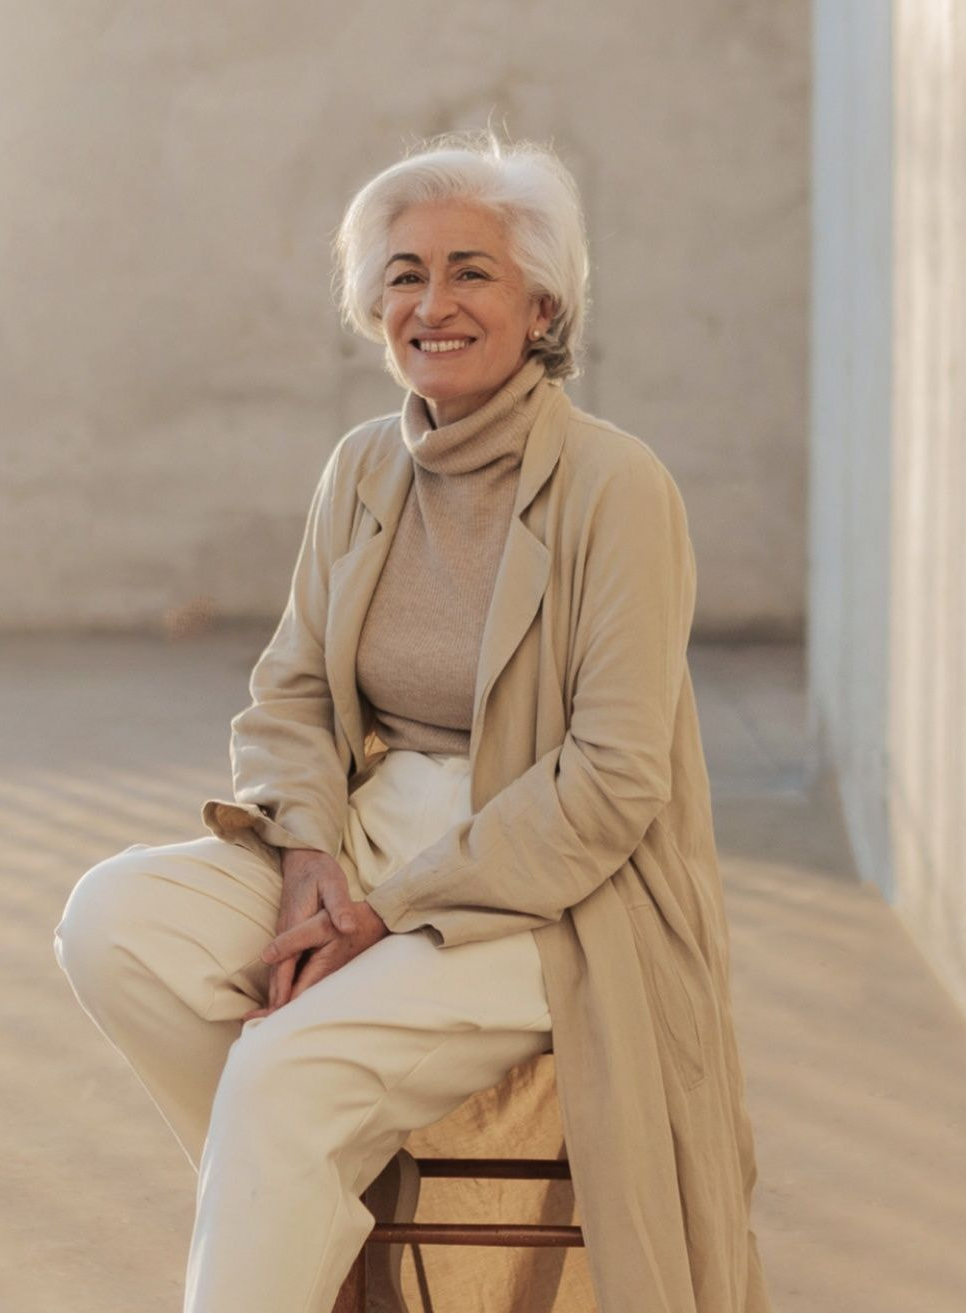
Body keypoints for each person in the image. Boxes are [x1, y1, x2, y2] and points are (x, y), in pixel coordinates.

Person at [53, 129, 773, 1313]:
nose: (431, 302)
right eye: (402, 273)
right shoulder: (360, 470)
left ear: (542, 303)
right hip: (364, 835)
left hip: (558, 894)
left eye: (470, 270)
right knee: (114, 923)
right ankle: (304, 1215)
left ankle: (282, 1217)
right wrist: (308, 865)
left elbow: (613, 776)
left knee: (285, 1068)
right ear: (370, 305)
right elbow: (289, 692)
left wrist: (391, 912)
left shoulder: (615, 484)